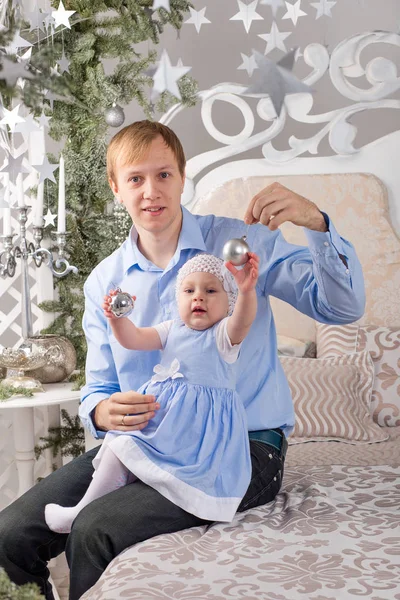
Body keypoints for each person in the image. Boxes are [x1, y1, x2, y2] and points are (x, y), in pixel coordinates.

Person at [0, 120, 365, 600]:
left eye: (164, 175)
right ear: (116, 187)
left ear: (182, 176)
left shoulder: (238, 246)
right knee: (9, 535)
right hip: (151, 446)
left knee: (95, 528)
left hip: (244, 447)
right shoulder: (105, 282)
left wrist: (316, 222)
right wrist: (101, 410)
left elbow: (342, 307)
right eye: (135, 179)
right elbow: (99, 387)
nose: (151, 191)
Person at [44, 251, 260, 533]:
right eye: (189, 290)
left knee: (135, 454)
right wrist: (117, 319)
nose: (198, 297)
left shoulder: (223, 335)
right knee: (122, 445)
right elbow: (133, 339)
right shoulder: (173, 328)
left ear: (228, 301)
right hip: (161, 421)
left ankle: (116, 496)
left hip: (195, 434)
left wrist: (246, 292)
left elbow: (243, 321)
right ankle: (82, 509)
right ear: (178, 297)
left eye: (210, 290)